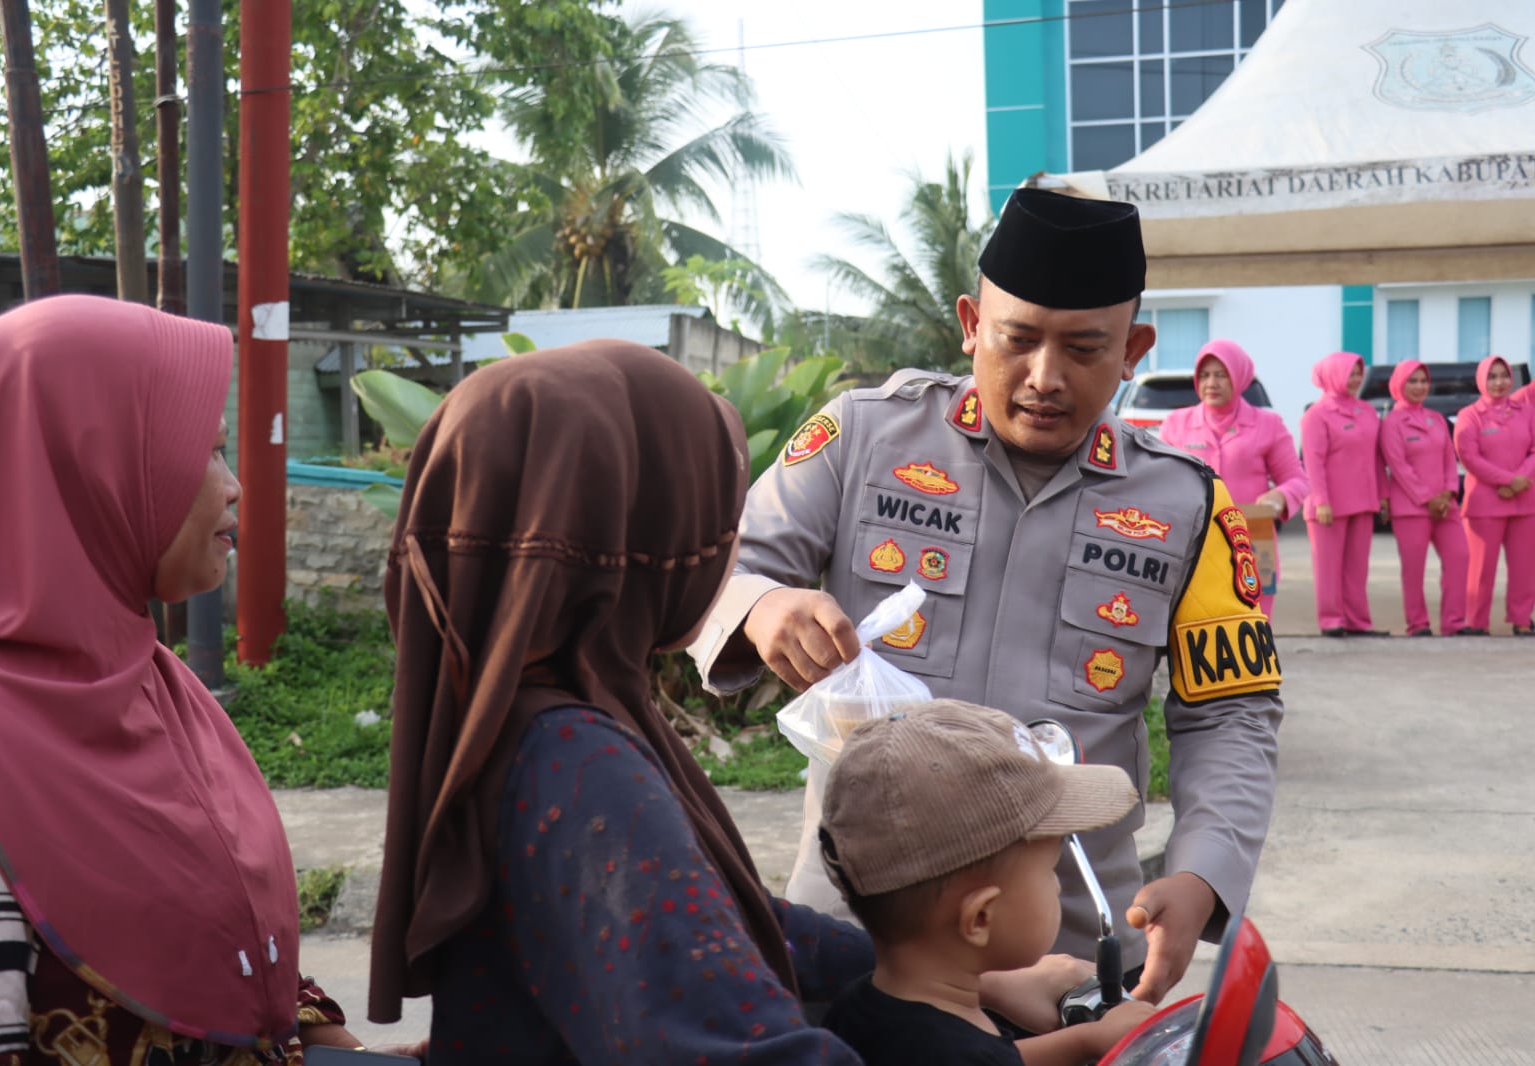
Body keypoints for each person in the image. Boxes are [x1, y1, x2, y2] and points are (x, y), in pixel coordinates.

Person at [364, 341, 1088, 1061]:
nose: (729, 541)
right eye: (711, 513)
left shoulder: (538, 716)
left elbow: (728, 924)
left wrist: (970, 982)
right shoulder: (579, 765)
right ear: (641, 540)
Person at [689, 187, 1284, 1008]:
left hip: (1067, 952)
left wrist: (1203, 874)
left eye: (1084, 348)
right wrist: (761, 608)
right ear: (972, 324)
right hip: (857, 937)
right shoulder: (862, 437)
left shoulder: (1189, 505)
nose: (1045, 378)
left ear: (1134, 349)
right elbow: (718, 573)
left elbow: (1231, 714)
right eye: (1018, 339)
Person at [0, 296, 373, 1060]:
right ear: (85, 471)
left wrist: (343, 1052)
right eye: (208, 451)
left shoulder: (156, 683)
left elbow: (228, 934)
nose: (233, 486)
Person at [820, 700, 1157, 1066]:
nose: (1058, 886)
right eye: (1050, 871)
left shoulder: (856, 1007)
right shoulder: (957, 1050)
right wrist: (1092, 1041)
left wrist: (1083, 1041)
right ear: (980, 918)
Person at [1159, 339, 1308, 620]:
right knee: (1195, 627)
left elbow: (1297, 480)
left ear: (1239, 377)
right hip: (1194, 541)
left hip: (1252, 541)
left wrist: (1279, 497)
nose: (1211, 383)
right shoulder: (1176, 424)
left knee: (1251, 628)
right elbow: (1161, 480)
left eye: (1221, 374)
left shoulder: (1268, 424)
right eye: (1204, 375)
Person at [1377, 360, 1472, 637]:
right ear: (1399, 384)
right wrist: (1427, 498)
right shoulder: (1391, 423)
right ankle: (1417, 624)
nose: (1419, 387)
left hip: (1445, 505)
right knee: (1414, 569)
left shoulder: (1437, 419)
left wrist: (1448, 493)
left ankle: (1454, 622)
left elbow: (1449, 458)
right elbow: (1399, 467)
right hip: (1411, 508)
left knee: (1460, 556)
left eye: (1423, 381)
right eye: (1413, 381)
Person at [1299, 351, 1387, 637]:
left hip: (1363, 500)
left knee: (1357, 568)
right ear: (1333, 375)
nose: (1356, 379)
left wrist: (1382, 494)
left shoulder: (1367, 411)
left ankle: (1358, 621)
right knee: (1328, 568)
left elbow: (1375, 456)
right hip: (1328, 504)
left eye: (1359, 373)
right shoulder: (1316, 414)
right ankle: (1332, 620)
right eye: (1350, 373)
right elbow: (1313, 461)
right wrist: (1321, 501)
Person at [1452, 355, 1535, 636]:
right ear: (1481, 380)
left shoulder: (1526, 412)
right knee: (1481, 567)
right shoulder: (1469, 415)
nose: (1499, 382)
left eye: (1504, 376)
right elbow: (1469, 457)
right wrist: (1509, 480)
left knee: (1525, 567)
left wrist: (1520, 480)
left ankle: (1522, 619)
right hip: (1486, 502)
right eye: (1492, 376)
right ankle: (1476, 622)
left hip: (1525, 500)